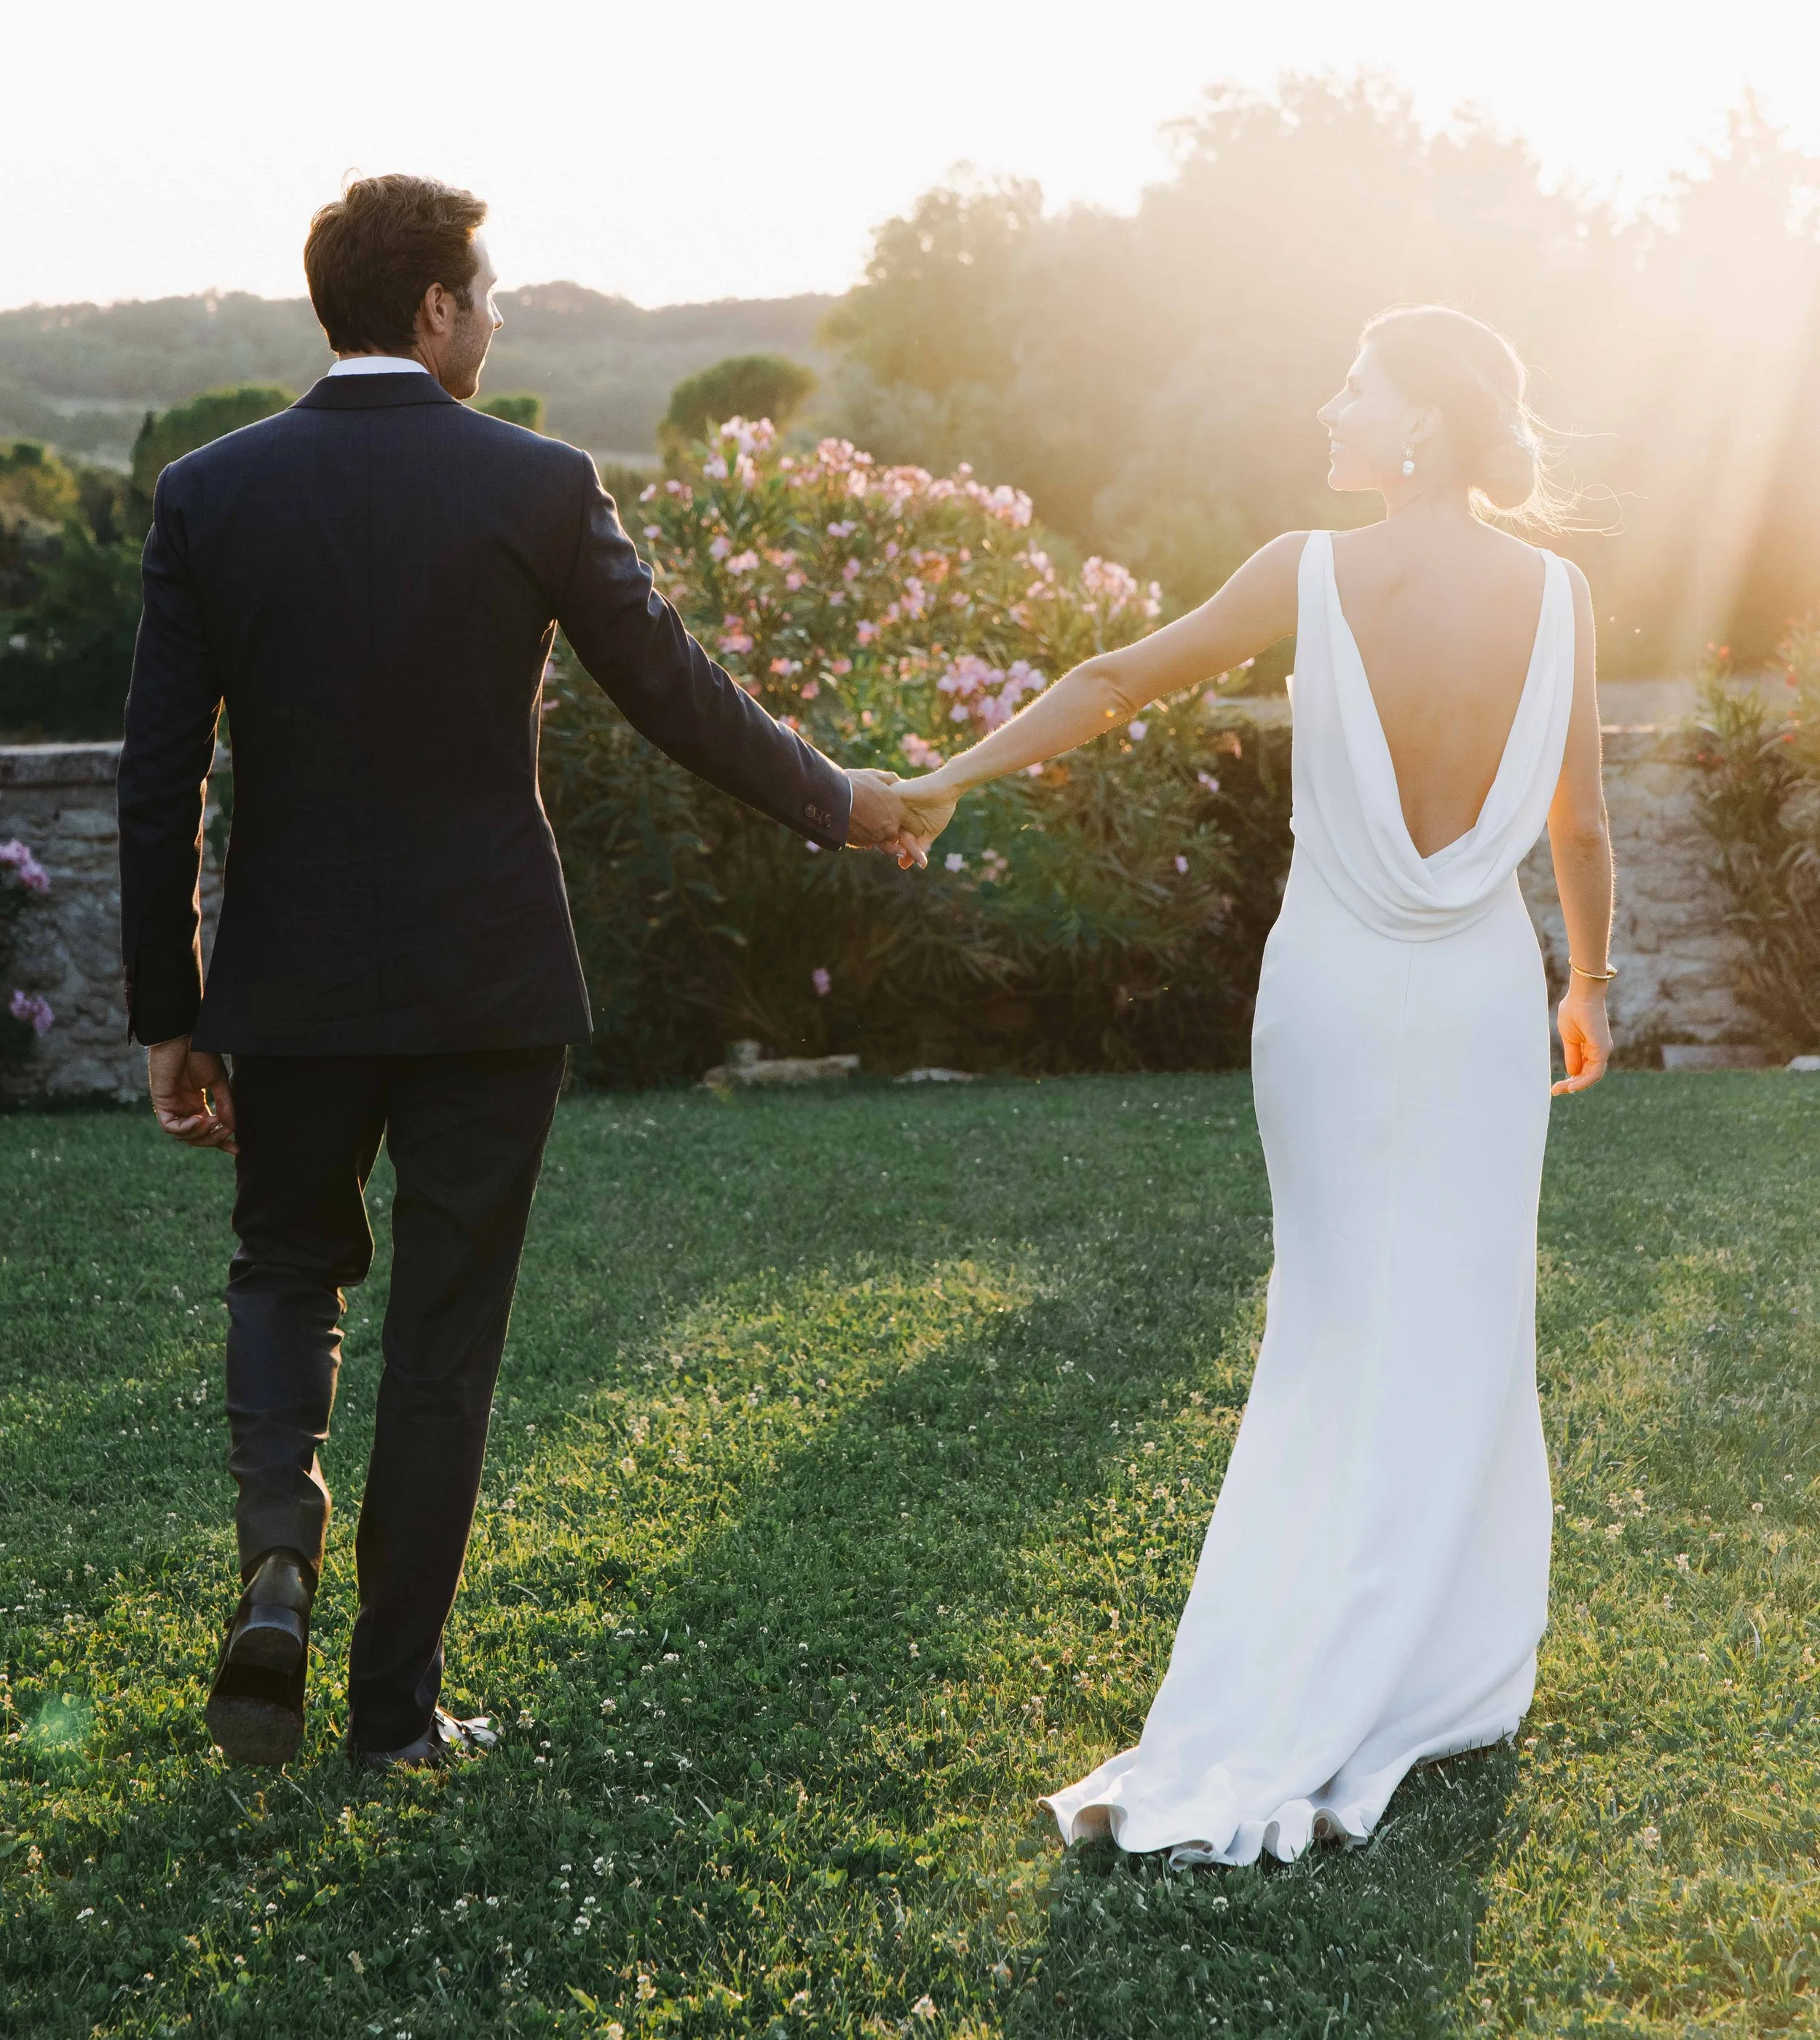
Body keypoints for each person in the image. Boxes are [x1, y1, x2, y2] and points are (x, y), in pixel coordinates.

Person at [116, 173, 912, 1773]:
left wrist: (169, 1008)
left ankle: (278, 1554)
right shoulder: (538, 482)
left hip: (287, 984)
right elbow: (674, 691)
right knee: (443, 1342)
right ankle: (393, 1715)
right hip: (487, 984)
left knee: (284, 1266)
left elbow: (158, 774)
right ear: (433, 309)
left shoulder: (209, 490)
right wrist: (842, 800)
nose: (497, 319)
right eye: (487, 296)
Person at [893, 304, 1613, 1865]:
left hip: (1332, 1000)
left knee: (1333, 1317)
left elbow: (1111, 679)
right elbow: (1579, 826)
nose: (1329, 406)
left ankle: (1311, 1644)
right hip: (1480, 1001)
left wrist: (942, 779)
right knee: (1462, 1311)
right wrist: (1589, 984)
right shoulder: (1555, 595)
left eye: (1354, 385)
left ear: (1420, 419)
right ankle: (1427, 1648)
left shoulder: (1306, 570)